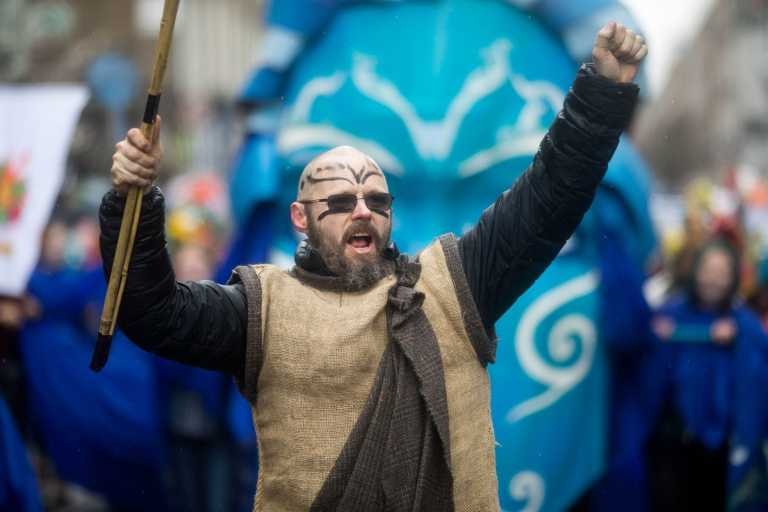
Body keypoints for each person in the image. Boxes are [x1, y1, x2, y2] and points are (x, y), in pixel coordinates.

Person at [101, 23, 646, 511]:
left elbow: (548, 197)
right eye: (338, 202)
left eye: (377, 201)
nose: (361, 211)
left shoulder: (456, 287)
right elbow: (155, 313)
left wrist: (601, 93)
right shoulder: (261, 308)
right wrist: (134, 200)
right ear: (300, 216)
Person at [648, 239, 768, 511]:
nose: (713, 280)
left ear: (733, 277)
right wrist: (656, 338)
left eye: (722, 273)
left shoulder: (743, 324)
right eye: (708, 271)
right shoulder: (668, 315)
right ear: (695, 271)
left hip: (720, 447)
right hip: (671, 442)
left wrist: (740, 340)